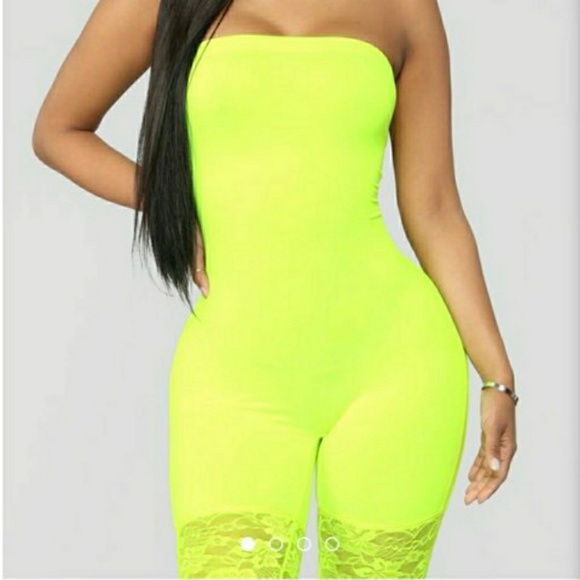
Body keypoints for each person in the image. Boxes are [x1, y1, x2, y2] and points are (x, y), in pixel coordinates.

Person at [32, 0, 518, 577]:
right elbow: (58, 131)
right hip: (236, 375)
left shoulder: (405, 6)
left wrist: (497, 376)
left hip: (395, 367)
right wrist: (170, 207)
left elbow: (434, 206)